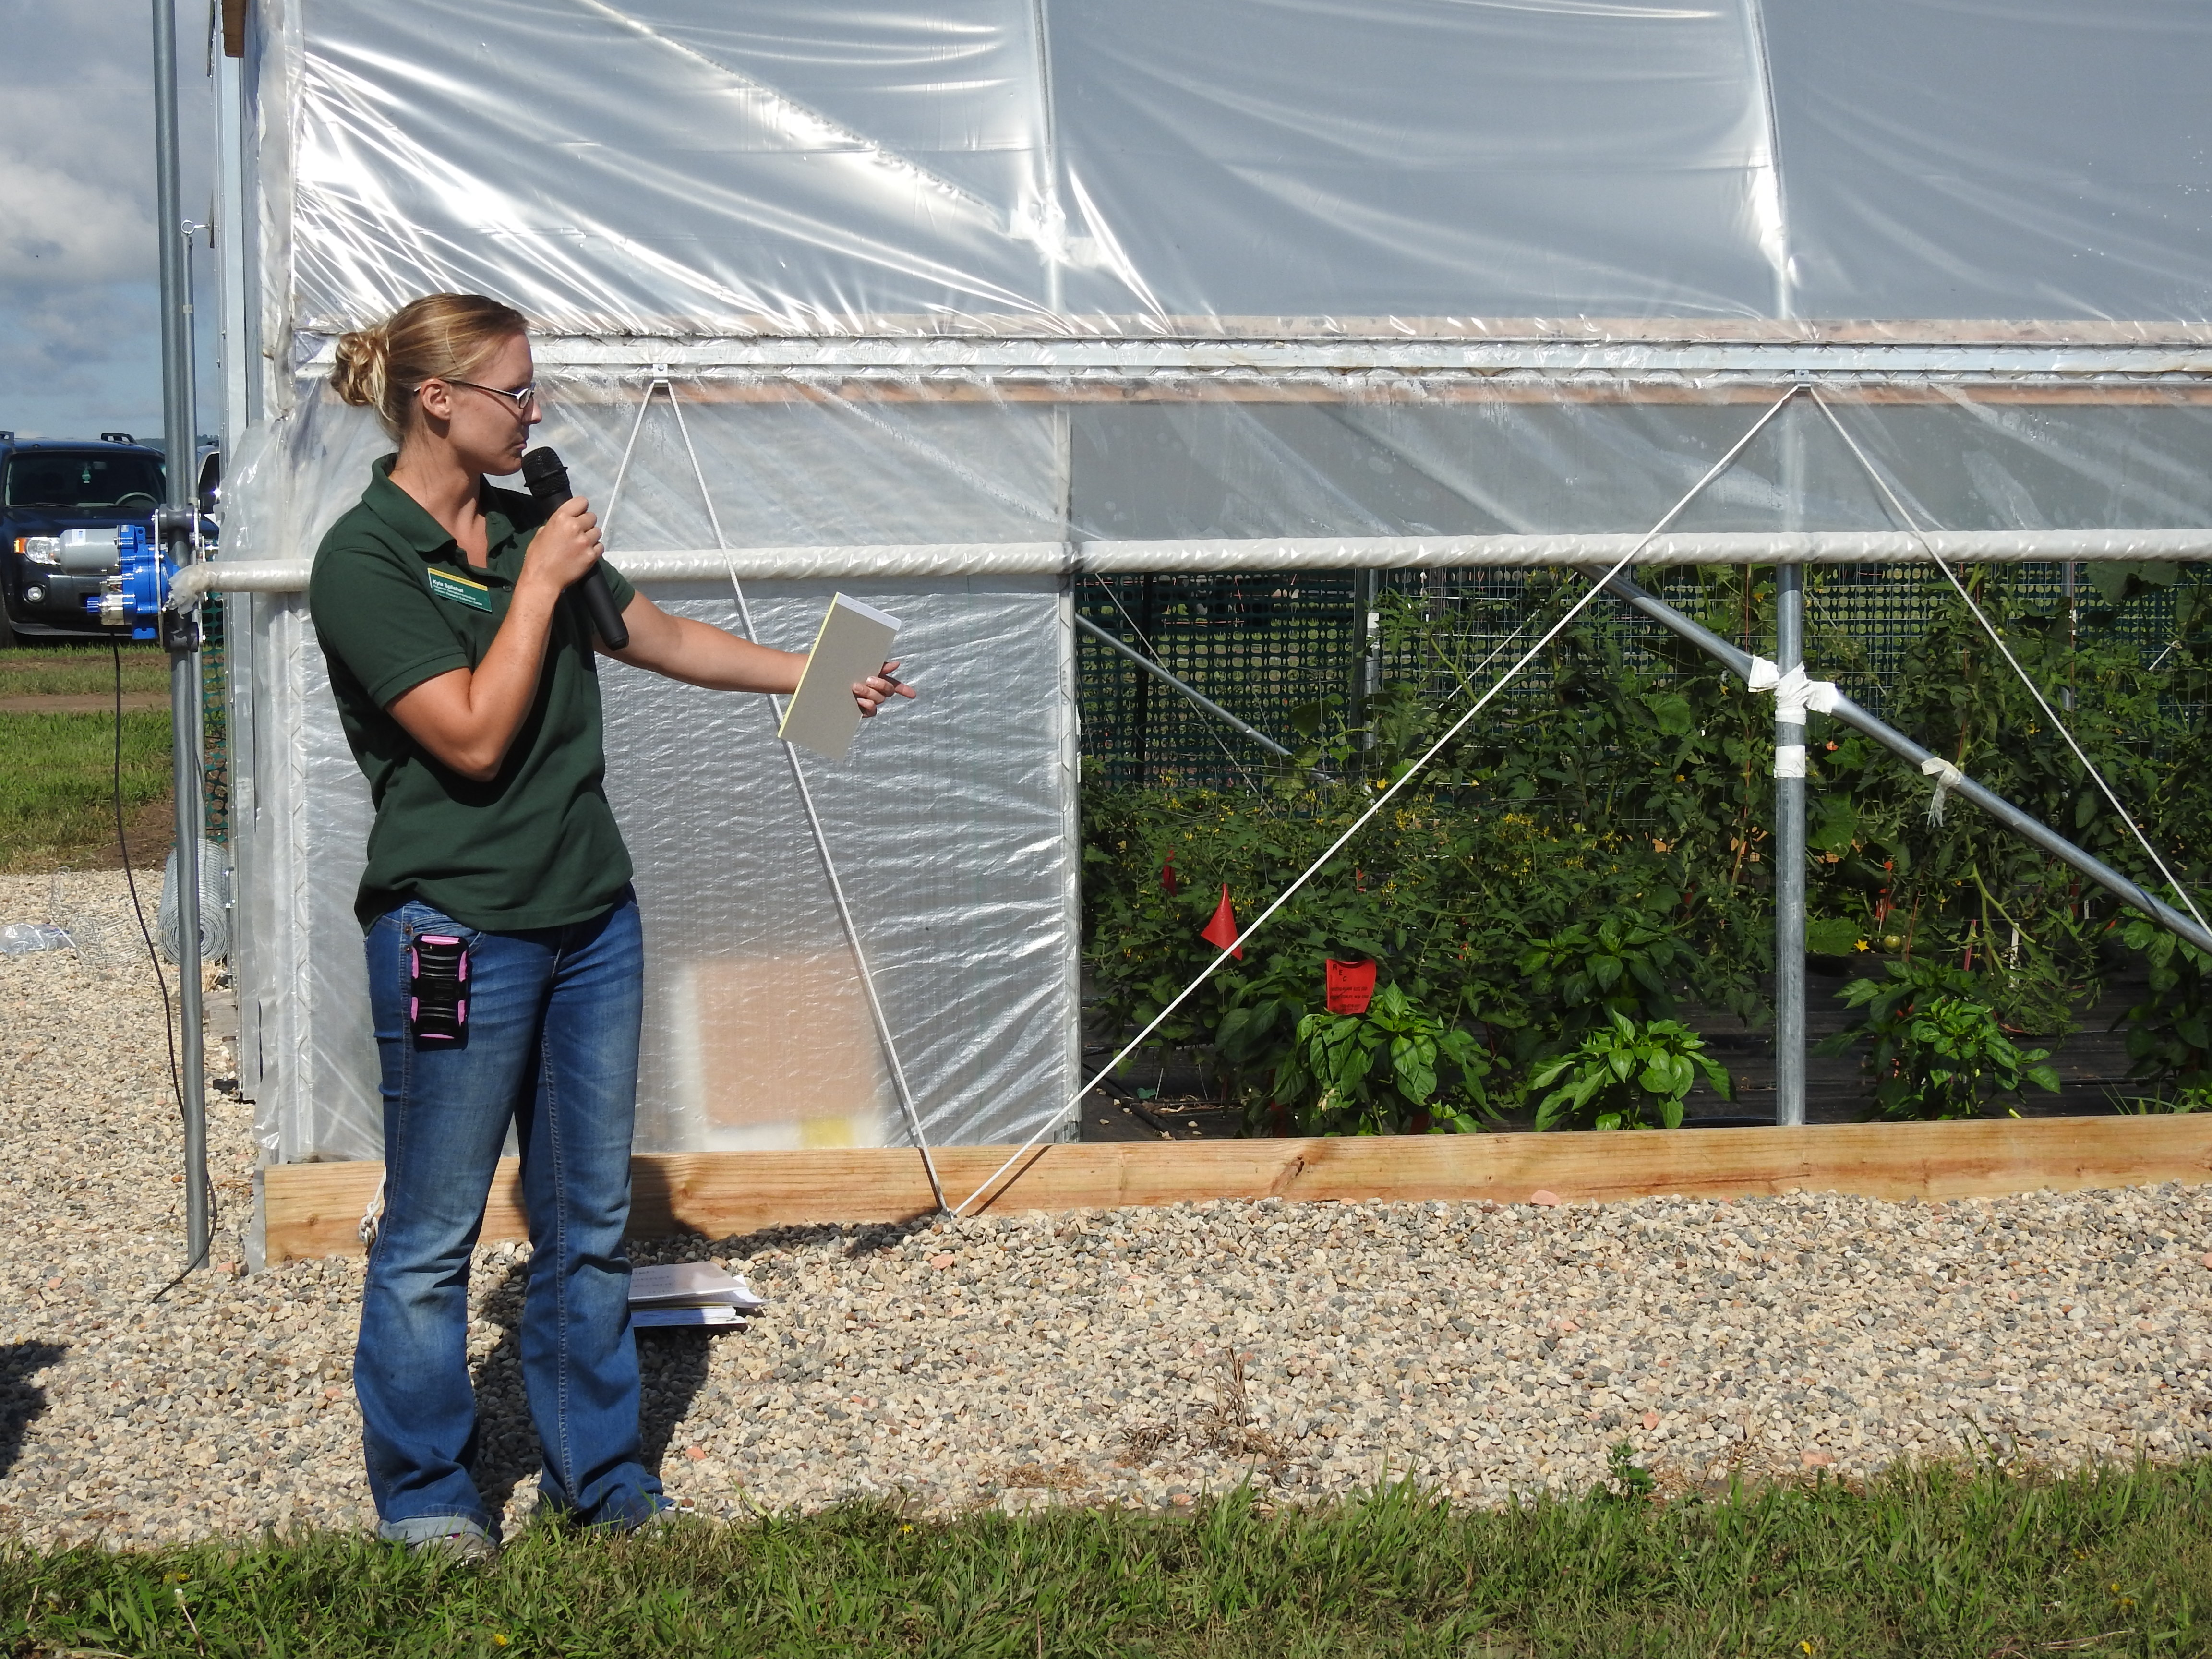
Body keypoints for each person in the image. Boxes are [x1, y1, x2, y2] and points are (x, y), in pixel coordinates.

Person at [307, 292, 912, 1558]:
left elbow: (651, 634)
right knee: (433, 1230)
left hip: (592, 925)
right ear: (439, 403)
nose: (538, 413)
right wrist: (536, 585)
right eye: (517, 392)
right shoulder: (362, 562)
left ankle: (605, 1483)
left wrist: (809, 676)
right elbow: (469, 737)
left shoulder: (532, 525)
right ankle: (426, 1494)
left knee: (585, 1226)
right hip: (453, 936)